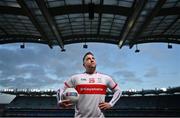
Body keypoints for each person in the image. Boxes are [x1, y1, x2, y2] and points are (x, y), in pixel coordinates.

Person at [57, 52, 122, 118]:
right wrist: (59, 101)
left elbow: (118, 91)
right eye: (88, 59)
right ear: (84, 64)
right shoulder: (75, 78)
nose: (91, 60)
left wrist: (111, 103)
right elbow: (60, 90)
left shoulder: (106, 78)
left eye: (93, 58)